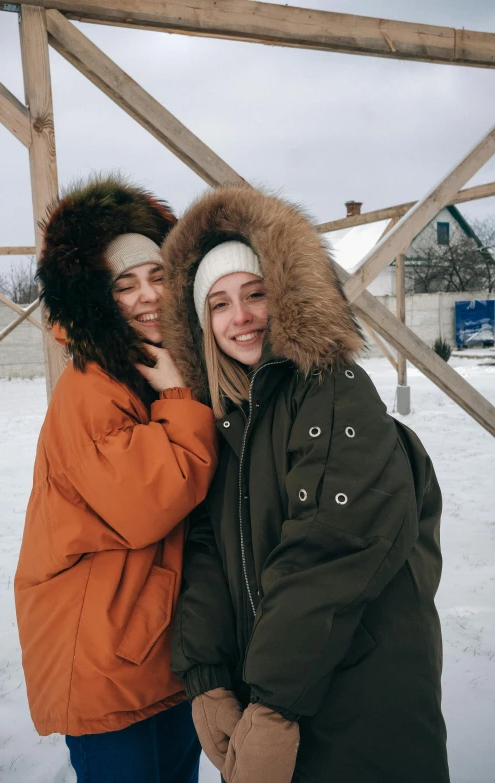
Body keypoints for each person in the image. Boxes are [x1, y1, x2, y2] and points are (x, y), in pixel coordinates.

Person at [162, 184, 450, 783]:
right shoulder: (229, 417)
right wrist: (209, 678)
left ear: (287, 296)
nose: (239, 316)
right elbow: (209, 550)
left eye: (255, 293)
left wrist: (273, 706)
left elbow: (330, 548)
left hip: (361, 702)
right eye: (218, 304)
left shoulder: (334, 392)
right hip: (279, 692)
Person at [14, 175, 217, 783]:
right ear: (97, 299)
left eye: (158, 276)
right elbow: (150, 498)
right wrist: (179, 392)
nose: (148, 296)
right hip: (104, 653)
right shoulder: (93, 388)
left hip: (154, 646)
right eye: (124, 285)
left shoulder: (141, 369)